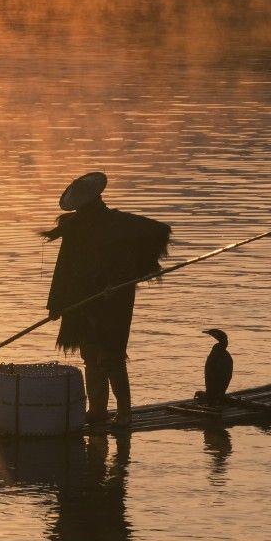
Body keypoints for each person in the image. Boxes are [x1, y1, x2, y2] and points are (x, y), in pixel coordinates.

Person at [44, 171, 171, 428]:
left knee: (112, 356)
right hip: (84, 301)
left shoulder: (118, 224)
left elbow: (159, 231)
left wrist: (126, 278)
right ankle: (97, 410)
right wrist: (56, 305)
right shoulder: (75, 229)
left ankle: (125, 413)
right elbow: (64, 268)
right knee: (90, 355)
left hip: (115, 301)